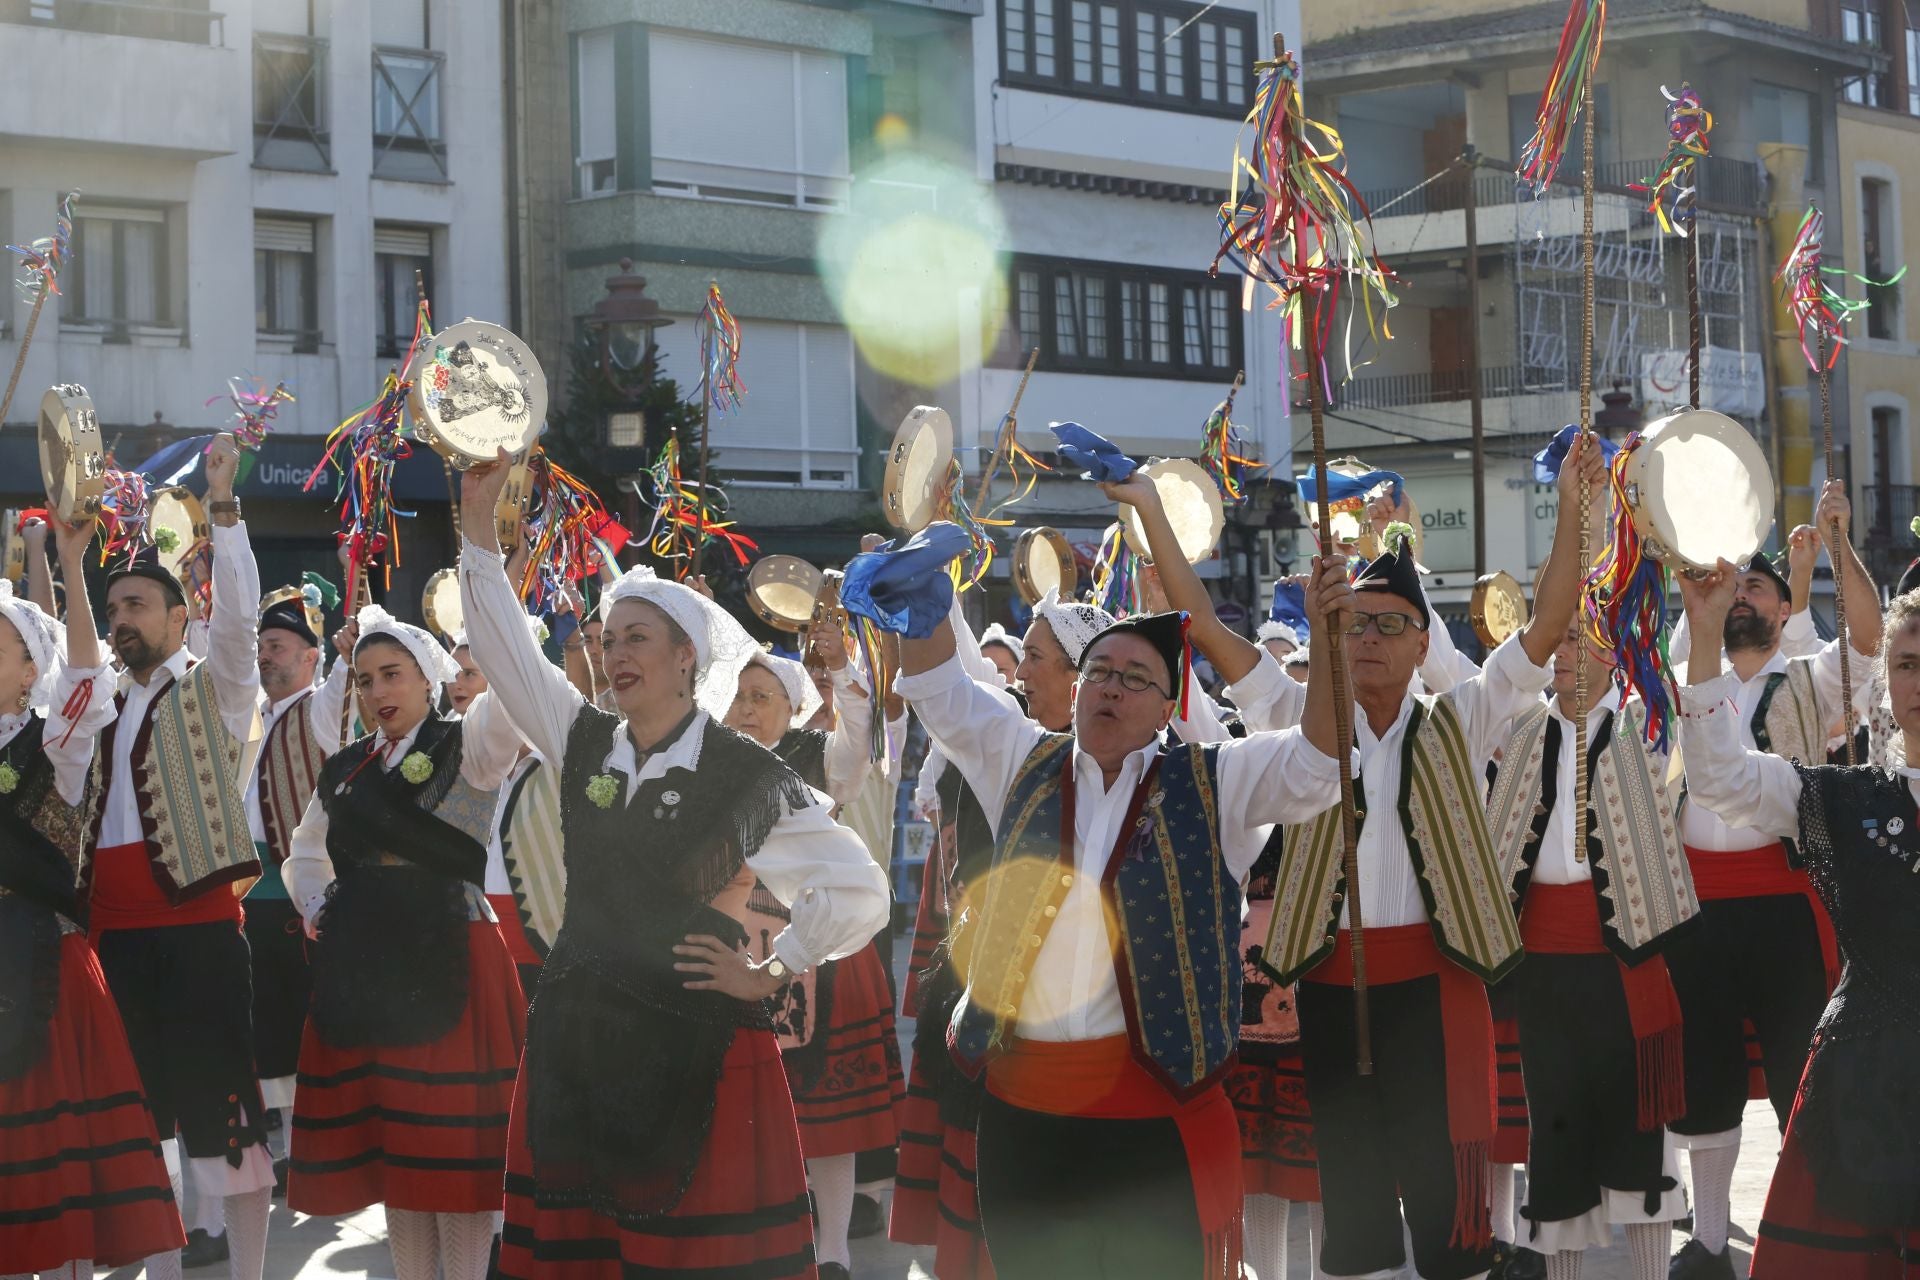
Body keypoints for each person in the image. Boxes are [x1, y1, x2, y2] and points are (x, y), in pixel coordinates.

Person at [455, 455, 891, 1280]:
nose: (617, 654)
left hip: (701, 1049)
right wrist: (479, 532)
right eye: (609, 639)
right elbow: (505, 650)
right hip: (579, 1042)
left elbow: (860, 887)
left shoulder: (746, 774)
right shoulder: (584, 738)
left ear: (687, 656)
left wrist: (775, 969)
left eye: (638, 640)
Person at [884, 521, 1343, 1279]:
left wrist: (1328, 642)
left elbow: (1321, 762)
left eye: (1136, 678)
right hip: (1022, 1111)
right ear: (1074, 688)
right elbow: (939, 692)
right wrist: (915, 593)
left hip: (1153, 1116)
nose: (1111, 686)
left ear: (1168, 708)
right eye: (1099, 671)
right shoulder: (1020, 757)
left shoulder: (1214, 781)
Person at [1262, 432, 1605, 1280]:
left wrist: (1569, 512)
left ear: (1424, 645)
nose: (1369, 638)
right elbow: (1215, 645)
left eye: (1392, 624)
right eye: (1354, 624)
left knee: (1451, 1221)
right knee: (1356, 1219)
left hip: (1436, 992)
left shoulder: (1461, 718)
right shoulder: (1307, 732)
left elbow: (1547, 624)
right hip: (1333, 990)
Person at [54, 435, 278, 1280]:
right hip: (113, 942)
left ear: (180, 617)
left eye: (138, 605)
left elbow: (243, 625)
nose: (123, 622)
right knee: (134, 1120)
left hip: (197, 935)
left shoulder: (216, 690)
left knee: (224, 1120)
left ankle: (249, 1274)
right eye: (116, 611)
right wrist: (71, 569)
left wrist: (225, 505)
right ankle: (157, 1268)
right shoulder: (99, 704)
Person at [1676, 562, 1920, 1279]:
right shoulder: (1846, 798)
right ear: (1886, 682)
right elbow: (1721, 777)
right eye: (1907, 663)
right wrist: (1702, 632)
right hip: (1864, 1081)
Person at [280, 604, 528, 1280]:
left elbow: (509, 703)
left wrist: (498, 597)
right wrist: (316, 905)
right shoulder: (347, 768)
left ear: (430, 681)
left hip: (452, 954)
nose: (378, 692)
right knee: (400, 1158)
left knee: (453, 1163)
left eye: (392, 674)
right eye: (363, 680)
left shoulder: (468, 747)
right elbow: (306, 852)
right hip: (368, 963)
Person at [0, 516, 186, 1280]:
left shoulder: (55, 741)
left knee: (60, 1178)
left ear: (26, 670)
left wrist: (70, 567)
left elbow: (83, 675)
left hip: (41, 966)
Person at [1487, 621, 1700, 1280]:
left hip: (1627, 963)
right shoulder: (1521, 734)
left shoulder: (1649, 728)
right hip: (1544, 971)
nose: (1563, 652)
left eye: (1580, 641)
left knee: (1642, 1145)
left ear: (1616, 654)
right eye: (1560, 641)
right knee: (1555, 1141)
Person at [724, 640, 898, 1280]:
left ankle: (834, 1250)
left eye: (760, 698)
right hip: (736, 943)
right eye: (738, 697)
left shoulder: (812, 758)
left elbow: (857, 749)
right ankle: (763, 1234)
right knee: (748, 1103)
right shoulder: (711, 763)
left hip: (816, 951)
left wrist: (846, 671)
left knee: (827, 1109)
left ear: (793, 708)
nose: (743, 710)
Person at [241, 586, 349, 1203]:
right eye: (262, 647)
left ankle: (308, 1145)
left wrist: (347, 636)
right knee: (263, 1021)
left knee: (297, 1015)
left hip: (295, 888)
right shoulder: (251, 712)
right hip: (245, 890)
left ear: (310, 659)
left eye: (277, 647)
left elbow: (341, 691)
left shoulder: (319, 709)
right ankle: (280, 1147)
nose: (265, 657)